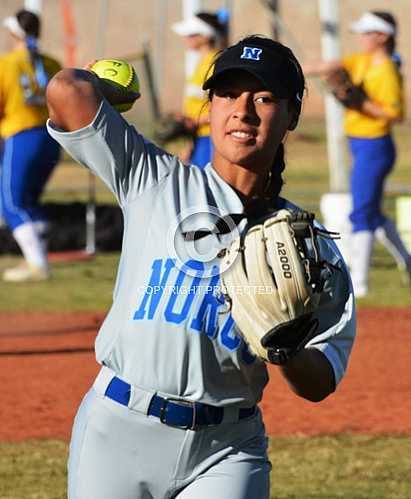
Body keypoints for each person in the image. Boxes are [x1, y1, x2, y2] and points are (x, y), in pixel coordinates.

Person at [46, 36, 355, 499]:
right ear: (208, 108)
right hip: (116, 430)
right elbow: (65, 89)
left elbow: (321, 381)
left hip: (227, 449)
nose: (243, 111)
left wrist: (288, 349)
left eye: (265, 98)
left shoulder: (308, 251)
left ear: (292, 116)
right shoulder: (154, 179)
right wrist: (104, 86)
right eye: (228, 94)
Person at [304, 11, 411, 298]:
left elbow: (395, 114)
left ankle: (360, 284)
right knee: (373, 213)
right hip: (360, 144)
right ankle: (408, 262)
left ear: (382, 36)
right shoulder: (361, 60)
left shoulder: (386, 70)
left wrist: (361, 102)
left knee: (361, 214)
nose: (361, 38)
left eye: (367, 33)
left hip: (375, 146)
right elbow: (325, 66)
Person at [0, 9, 61, 282]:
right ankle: (36, 257)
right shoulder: (52, 62)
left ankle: (38, 265)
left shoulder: (7, 64)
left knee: (11, 203)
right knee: (29, 201)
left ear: (14, 34)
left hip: (20, 135)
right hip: (51, 137)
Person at [170, 10, 229, 168]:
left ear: (205, 36)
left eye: (191, 34)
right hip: (199, 138)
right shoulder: (201, 63)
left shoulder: (214, 63)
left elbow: (223, 106)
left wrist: (193, 121)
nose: (185, 39)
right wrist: (189, 145)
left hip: (211, 137)